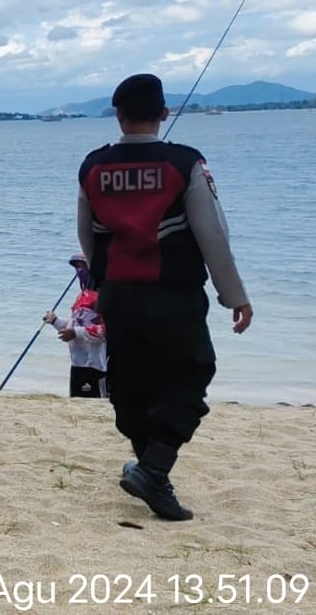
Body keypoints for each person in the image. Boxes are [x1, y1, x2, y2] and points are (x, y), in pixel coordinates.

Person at [77, 73, 253, 522]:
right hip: (173, 293)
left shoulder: (93, 166)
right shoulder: (184, 163)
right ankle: (154, 469)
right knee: (193, 374)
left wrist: (101, 284)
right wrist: (233, 294)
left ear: (117, 115)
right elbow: (213, 233)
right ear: (164, 112)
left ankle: (149, 470)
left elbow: (88, 235)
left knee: (130, 384)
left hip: (119, 294)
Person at [43, 256, 107, 398]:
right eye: (77, 267)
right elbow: (75, 324)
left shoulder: (103, 297)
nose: (79, 271)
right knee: (76, 401)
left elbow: (106, 331)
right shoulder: (81, 297)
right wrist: (55, 321)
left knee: (93, 406)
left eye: (83, 267)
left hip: (94, 366)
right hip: (77, 364)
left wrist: (76, 333)